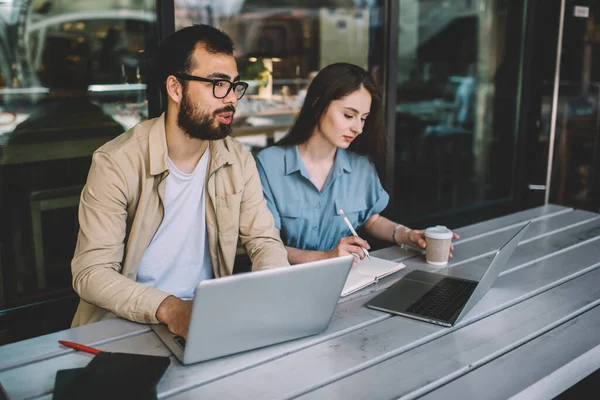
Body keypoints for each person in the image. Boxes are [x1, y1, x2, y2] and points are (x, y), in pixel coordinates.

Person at [71, 25, 289, 338]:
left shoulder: (236, 158)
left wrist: (272, 286)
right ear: (175, 88)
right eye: (217, 84)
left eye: (234, 86)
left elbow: (264, 240)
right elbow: (90, 273)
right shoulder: (117, 162)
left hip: (205, 321)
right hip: (124, 325)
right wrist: (171, 308)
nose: (231, 99)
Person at [256, 63, 458, 265]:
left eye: (363, 119)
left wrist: (408, 235)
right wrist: (326, 258)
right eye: (348, 115)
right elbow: (265, 246)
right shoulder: (268, 165)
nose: (358, 128)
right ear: (318, 105)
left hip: (347, 283)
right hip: (286, 283)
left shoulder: (360, 166)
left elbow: (371, 220)